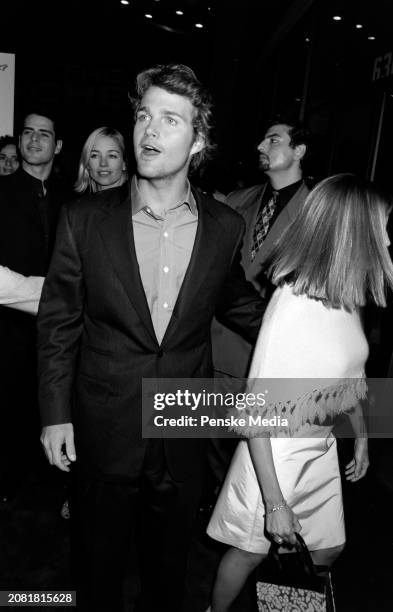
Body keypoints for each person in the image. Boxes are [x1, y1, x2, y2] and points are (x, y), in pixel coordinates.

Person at [38, 63, 266, 612]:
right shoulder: (84, 219)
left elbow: (237, 301)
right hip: (105, 420)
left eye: (169, 119)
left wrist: (311, 322)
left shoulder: (223, 226)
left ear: (198, 141)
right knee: (97, 567)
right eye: (144, 116)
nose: (149, 130)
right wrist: (54, 413)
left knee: (168, 573)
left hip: (182, 422)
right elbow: (58, 322)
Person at [206, 173, 393, 612]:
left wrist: (362, 435)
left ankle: (285, 607)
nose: (387, 238)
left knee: (326, 549)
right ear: (355, 230)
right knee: (251, 552)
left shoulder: (348, 295)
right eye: (382, 226)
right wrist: (274, 504)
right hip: (278, 455)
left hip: (320, 449)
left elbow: (350, 376)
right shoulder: (293, 303)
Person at [208, 117, 311, 493]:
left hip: (265, 353)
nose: (261, 147)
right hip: (216, 345)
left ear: (298, 151)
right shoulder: (239, 200)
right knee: (213, 441)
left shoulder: (316, 213)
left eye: (273, 140)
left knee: (255, 451)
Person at [0, 110, 68, 504]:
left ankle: (51, 486)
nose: (34, 139)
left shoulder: (73, 201)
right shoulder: (1, 191)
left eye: (45, 133)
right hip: (7, 325)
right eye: (28, 132)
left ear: (57, 146)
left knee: (51, 406)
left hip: (58, 334)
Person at [74, 126, 128, 193]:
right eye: (95, 156)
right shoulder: (81, 202)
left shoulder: (136, 201)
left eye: (112, 156)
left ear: (124, 163)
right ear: (87, 163)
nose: (103, 163)